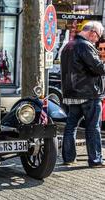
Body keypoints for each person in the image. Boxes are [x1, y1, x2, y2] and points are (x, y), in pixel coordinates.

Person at [61, 21, 105, 168]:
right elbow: (98, 68)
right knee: (93, 128)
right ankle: (95, 160)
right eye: (98, 36)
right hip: (88, 94)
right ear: (92, 32)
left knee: (70, 126)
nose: (97, 40)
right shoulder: (85, 46)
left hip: (71, 93)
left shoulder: (68, 45)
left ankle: (68, 158)